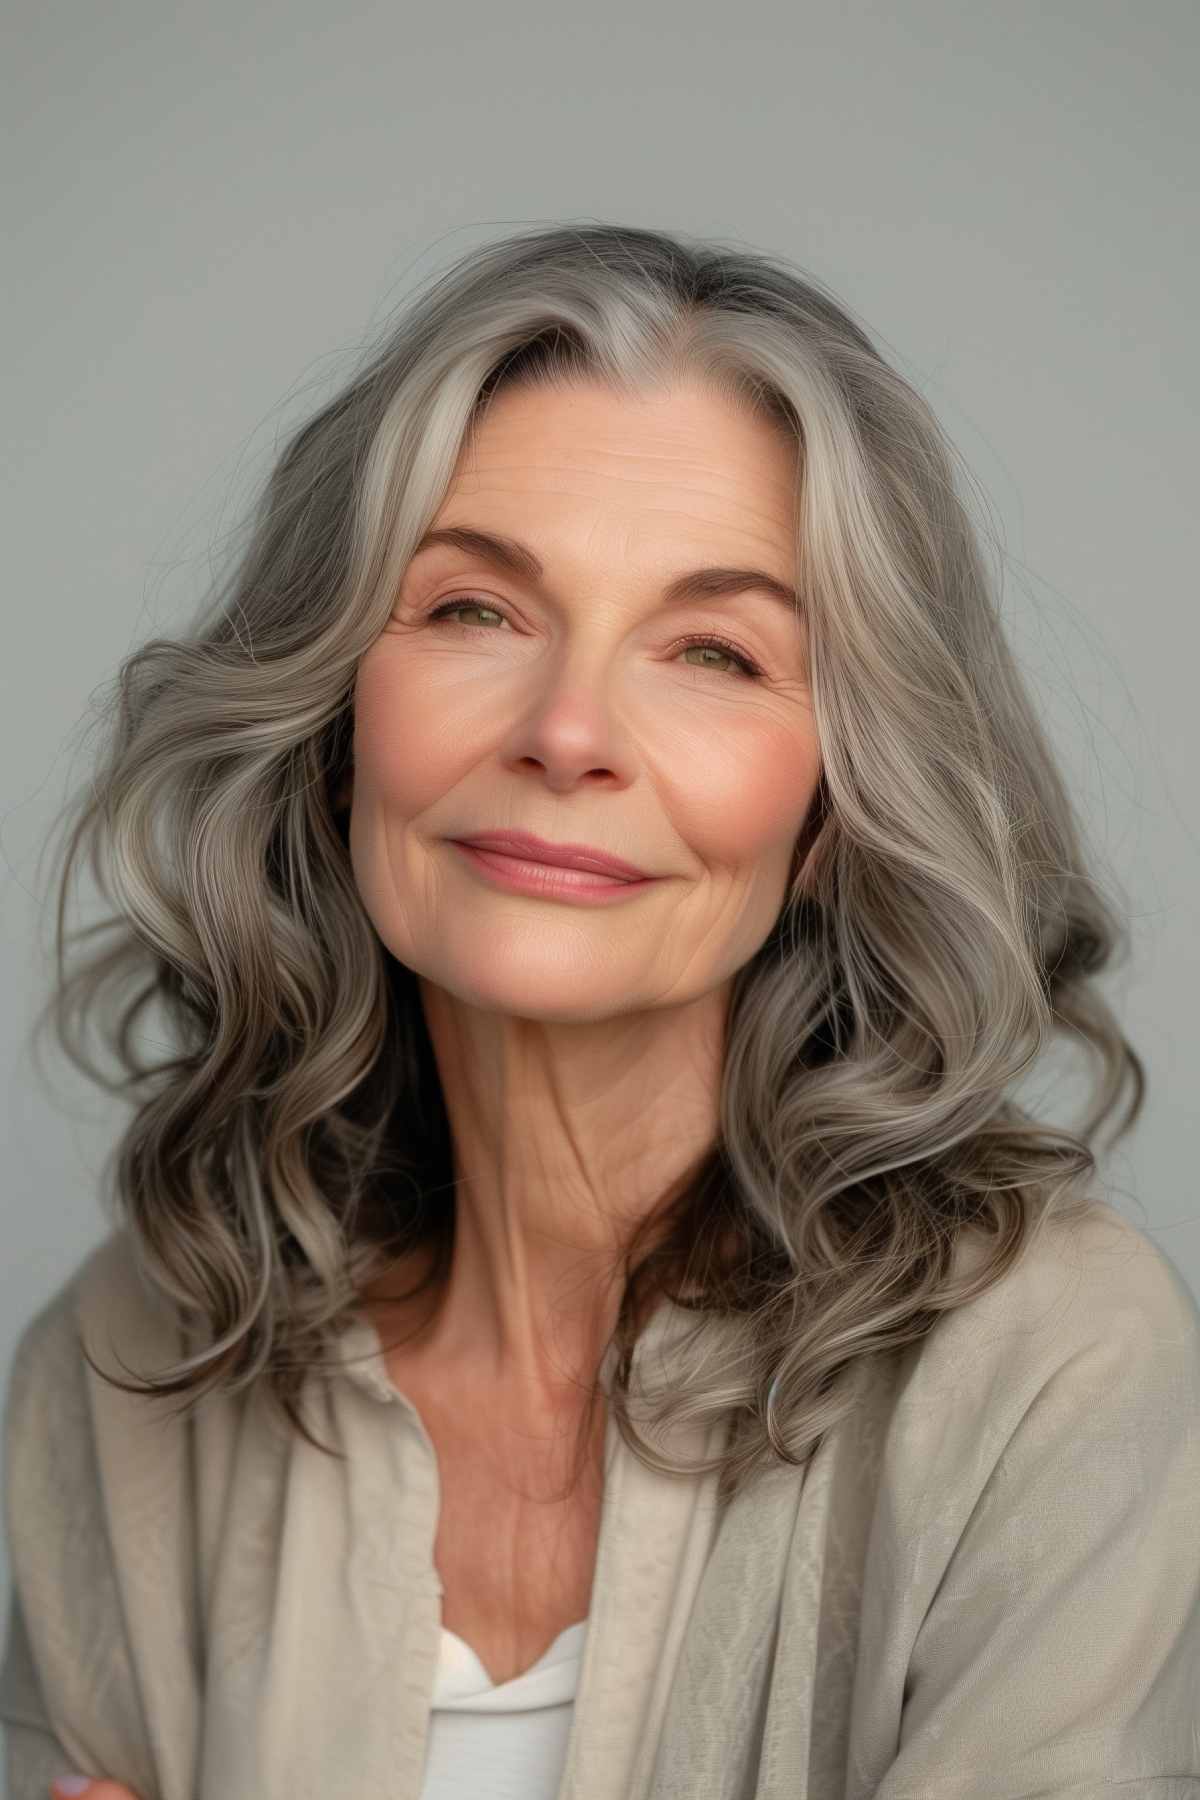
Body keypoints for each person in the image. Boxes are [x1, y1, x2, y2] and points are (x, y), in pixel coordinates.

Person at [5, 222, 1198, 1800]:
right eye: (473, 611)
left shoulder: (1053, 1364)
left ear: (837, 802)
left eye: (714, 649)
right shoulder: (128, 1358)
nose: (569, 732)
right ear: (334, 720)